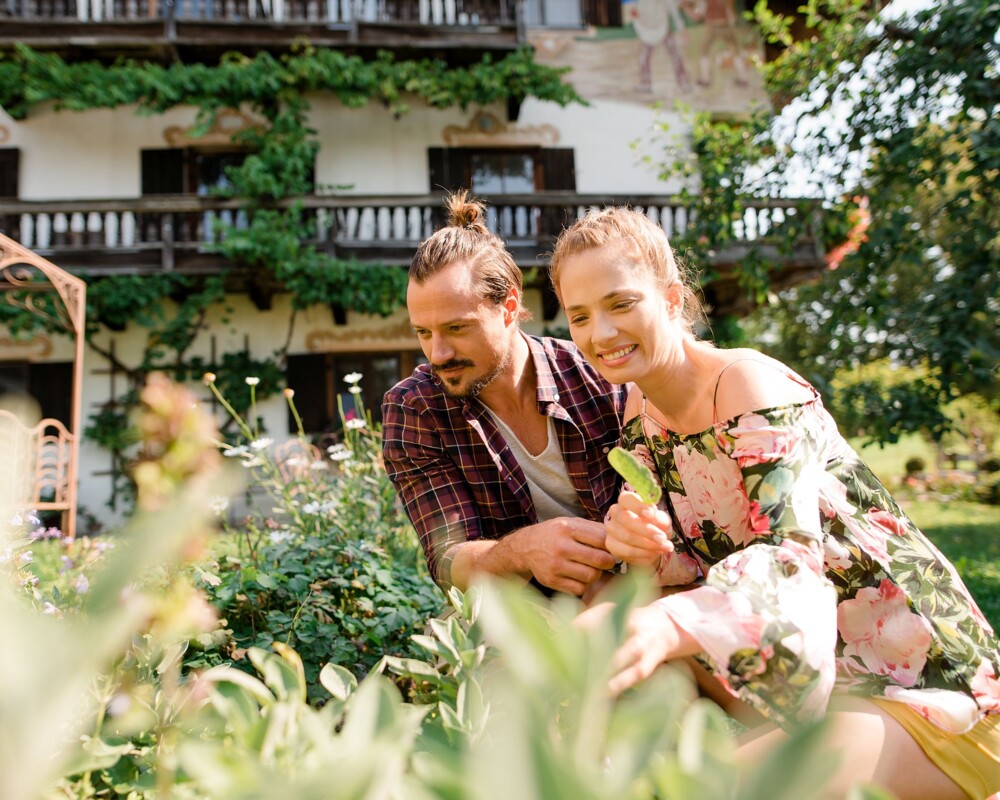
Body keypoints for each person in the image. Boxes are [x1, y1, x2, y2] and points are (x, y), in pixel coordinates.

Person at [552, 206, 1000, 800]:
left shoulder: (749, 387)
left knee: (720, 789)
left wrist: (664, 620)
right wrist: (636, 544)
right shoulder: (640, 414)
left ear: (670, 296)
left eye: (620, 304)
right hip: (825, 683)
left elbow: (790, 565)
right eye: (579, 316)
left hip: (934, 690)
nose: (599, 333)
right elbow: (690, 563)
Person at [381, 191, 626, 598]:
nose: (437, 353)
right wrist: (524, 550)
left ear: (509, 307)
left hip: (634, 593)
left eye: (457, 328)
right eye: (423, 333)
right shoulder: (415, 407)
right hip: (518, 614)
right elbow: (447, 558)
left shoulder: (597, 374)